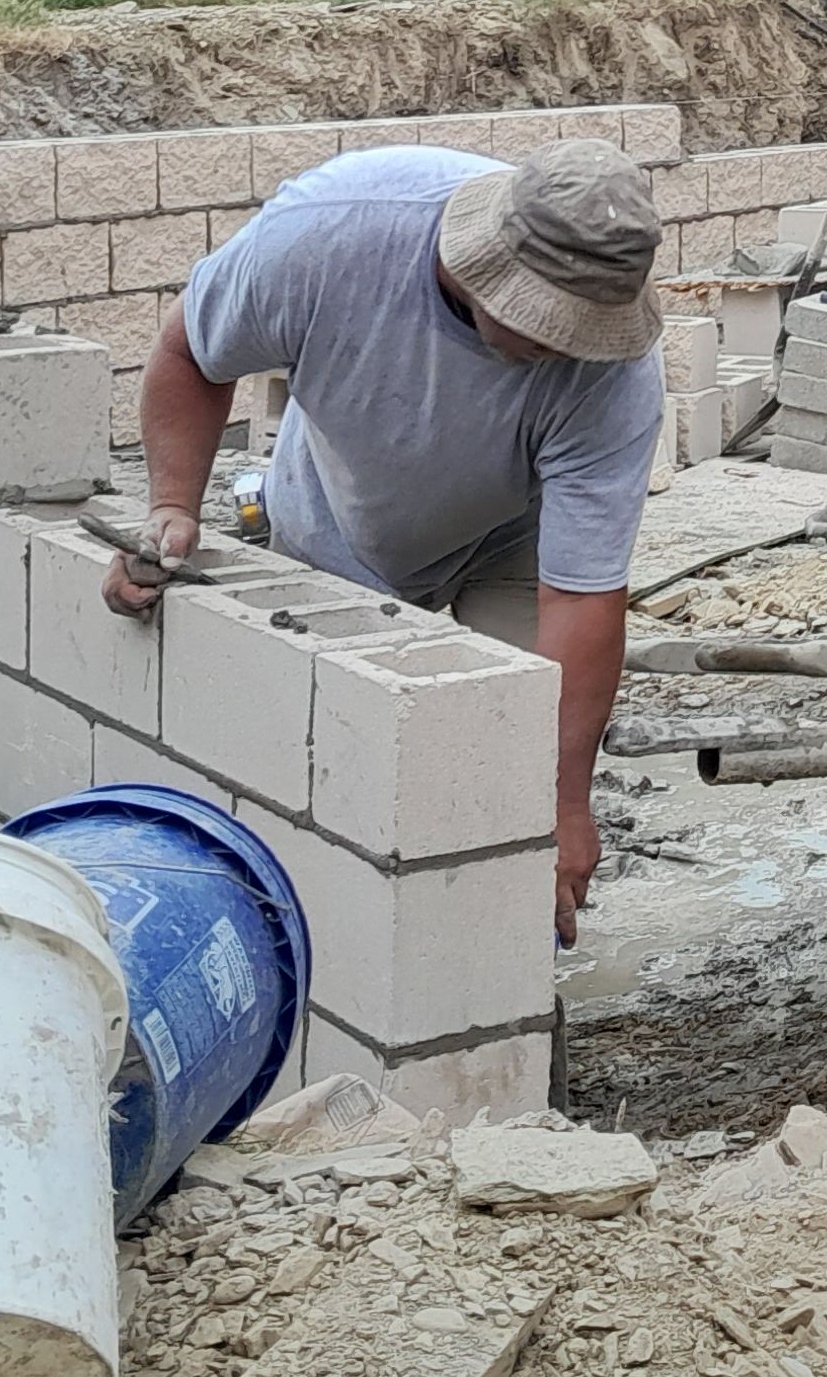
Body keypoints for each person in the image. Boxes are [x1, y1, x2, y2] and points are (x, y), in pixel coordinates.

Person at [103, 137, 666, 943]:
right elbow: (189, 352)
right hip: (333, 516)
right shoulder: (330, 239)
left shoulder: (614, 374)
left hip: (513, 543)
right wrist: (171, 507)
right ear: (483, 267)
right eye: (548, 326)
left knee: (505, 777)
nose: (567, 347)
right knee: (326, 776)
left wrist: (563, 802)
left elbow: (579, 594)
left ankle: (497, 1014)